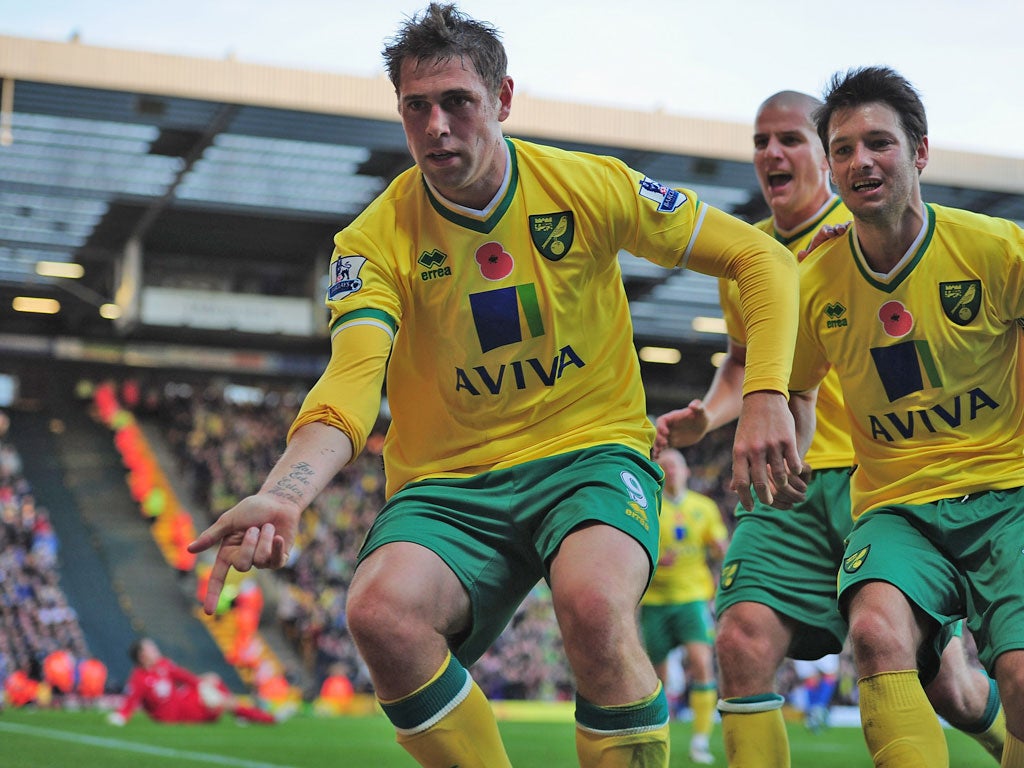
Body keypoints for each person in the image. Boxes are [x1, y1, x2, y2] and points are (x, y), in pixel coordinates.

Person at [187, 4, 805, 766]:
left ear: (503, 99)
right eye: (416, 107)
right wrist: (285, 493)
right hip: (448, 482)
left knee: (593, 604)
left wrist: (767, 391)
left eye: (458, 102)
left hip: (589, 454)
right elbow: (352, 378)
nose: (437, 126)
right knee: (380, 613)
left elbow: (763, 260)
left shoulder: (590, 187)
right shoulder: (372, 241)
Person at [656, 89, 1005, 766]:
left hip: (878, 482)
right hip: (785, 479)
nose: (771, 153)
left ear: (825, 155)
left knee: (951, 689)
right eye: (760, 141)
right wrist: (707, 413)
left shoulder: (871, 232)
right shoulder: (746, 254)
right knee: (740, 642)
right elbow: (740, 361)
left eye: (790, 138)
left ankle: (1002, 739)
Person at [784, 65, 1024, 767]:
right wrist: (786, 444)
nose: (861, 161)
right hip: (898, 507)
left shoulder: (996, 249)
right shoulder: (814, 281)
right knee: (876, 633)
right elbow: (795, 390)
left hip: (1008, 496)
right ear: (829, 168)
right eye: (843, 149)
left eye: (879, 143)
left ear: (919, 152)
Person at [639, 448, 728, 764]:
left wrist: (720, 548)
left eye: (676, 465)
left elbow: (719, 544)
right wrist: (654, 559)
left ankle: (700, 741)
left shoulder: (704, 507)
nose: (672, 471)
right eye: (665, 466)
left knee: (702, 663)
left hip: (693, 596)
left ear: (687, 471)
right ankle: (659, 736)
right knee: (660, 676)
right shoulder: (648, 507)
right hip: (656, 600)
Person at [107, 637, 276, 725]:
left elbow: (184, 677)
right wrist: (121, 716)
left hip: (185, 703)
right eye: (150, 648)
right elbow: (131, 699)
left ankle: (245, 714)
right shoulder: (139, 677)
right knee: (221, 700)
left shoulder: (163, 665)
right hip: (178, 715)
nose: (155, 649)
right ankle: (263, 718)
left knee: (213, 679)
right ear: (142, 656)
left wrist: (202, 683)